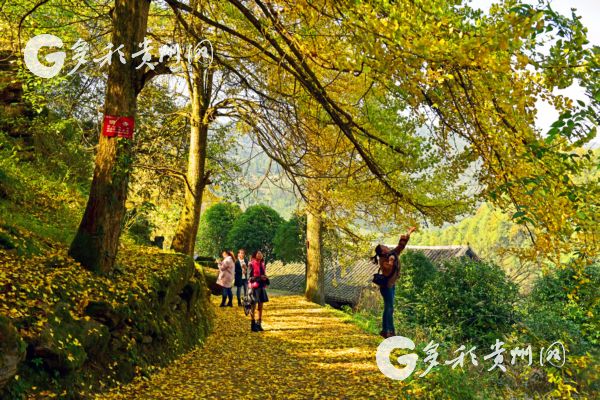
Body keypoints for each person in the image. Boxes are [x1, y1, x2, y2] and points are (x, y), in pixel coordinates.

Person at [372, 226, 417, 338]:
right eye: (384, 246)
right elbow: (387, 270)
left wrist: (408, 233)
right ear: (382, 251)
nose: (387, 246)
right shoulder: (383, 260)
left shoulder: (390, 254)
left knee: (389, 308)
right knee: (389, 308)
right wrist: (391, 262)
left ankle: (386, 330)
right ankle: (389, 332)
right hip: (386, 287)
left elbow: (400, 246)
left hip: (391, 285)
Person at [248, 250, 269, 332]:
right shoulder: (251, 264)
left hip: (262, 287)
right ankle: (253, 325)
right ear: (255, 255)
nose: (260, 255)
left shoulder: (262, 264)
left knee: (260, 307)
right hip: (254, 287)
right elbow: (249, 278)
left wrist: (266, 278)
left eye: (261, 253)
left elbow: (264, 275)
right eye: (258, 253)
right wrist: (260, 277)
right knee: (253, 306)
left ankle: (259, 324)